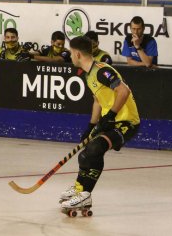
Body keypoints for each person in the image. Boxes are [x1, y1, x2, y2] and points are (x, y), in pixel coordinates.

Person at [60, 36, 140, 211]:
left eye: (71, 53)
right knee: (85, 152)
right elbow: (97, 101)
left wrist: (111, 115)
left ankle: (85, 196)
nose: (70, 56)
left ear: (78, 54)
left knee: (95, 148)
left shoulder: (102, 70)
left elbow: (123, 91)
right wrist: (90, 126)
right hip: (109, 121)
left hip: (126, 121)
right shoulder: (89, 74)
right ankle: (79, 188)